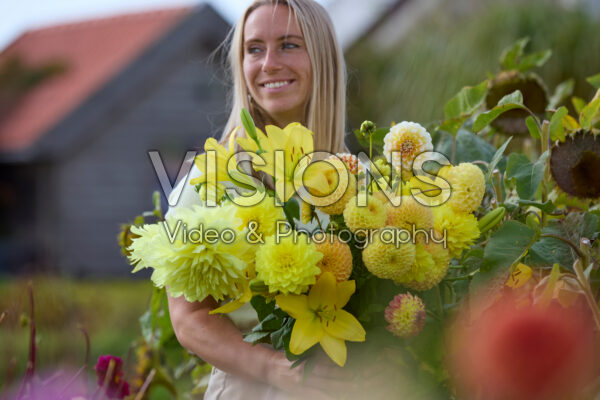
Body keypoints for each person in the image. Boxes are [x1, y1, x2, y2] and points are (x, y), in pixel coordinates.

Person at [166, 1, 352, 399]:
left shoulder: (358, 181)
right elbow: (188, 317)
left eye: (288, 45)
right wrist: (271, 367)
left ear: (322, 58)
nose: (268, 63)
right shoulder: (209, 183)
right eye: (254, 49)